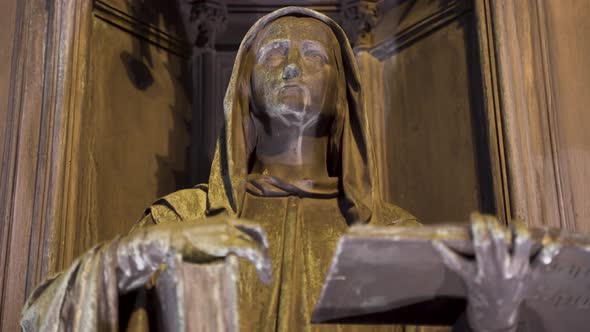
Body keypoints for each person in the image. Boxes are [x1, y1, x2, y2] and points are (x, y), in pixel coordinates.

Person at [21, 7, 529, 332]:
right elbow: (42, 318)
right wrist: (136, 256)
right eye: (273, 53)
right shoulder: (183, 222)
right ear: (245, 87)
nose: (291, 66)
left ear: (341, 90)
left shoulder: (392, 237)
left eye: (312, 55)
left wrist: (491, 315)